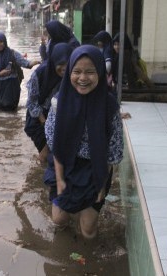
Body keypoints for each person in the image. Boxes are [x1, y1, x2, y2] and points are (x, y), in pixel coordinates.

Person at [44, 45, 123, 239]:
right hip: (64, 165)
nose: (82, 78)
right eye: (77, 71)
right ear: (69, 72)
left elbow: (113, 151)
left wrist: (102, 184)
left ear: (100, 73)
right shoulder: (58, 102)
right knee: (59, 220)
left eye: (90, 72)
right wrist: (60, 180)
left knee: (88, 230)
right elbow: (55, 145)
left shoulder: (110, 106)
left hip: (94, 169)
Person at [25, 43, 73, 164]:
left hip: (60, 117)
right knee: (46, 153)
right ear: (54, 61)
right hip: (38, 117)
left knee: (53, 154)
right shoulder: (41, 73)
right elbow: (31, 100)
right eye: (60, 64)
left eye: (67, 64)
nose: (64, 68)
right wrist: (44, 122)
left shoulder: (73, 75)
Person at [0, 32, 40, 111]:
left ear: (4, 42)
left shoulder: (12, 54)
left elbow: (26, 64)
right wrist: (1, 73)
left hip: (11, 86)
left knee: (11, 109)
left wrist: (38, 61)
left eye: (1, 42)